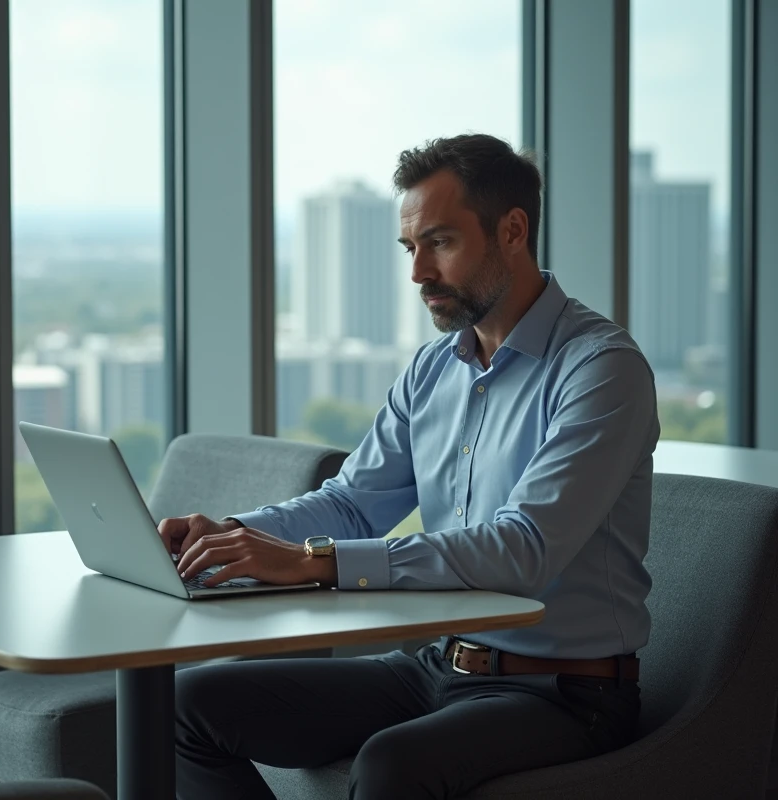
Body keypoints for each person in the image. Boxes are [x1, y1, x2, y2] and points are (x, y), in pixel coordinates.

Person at [157, 133, 659, 799]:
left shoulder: (600, 369)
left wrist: (316, 562)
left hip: (568, 693)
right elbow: (354, 504)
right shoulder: (432, 370)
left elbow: (524, 550)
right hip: (435, 666)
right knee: (186, 703)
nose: (419, 270)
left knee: (396, 765)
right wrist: (225, 537)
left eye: (440, 242)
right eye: (410, 248)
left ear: (513, 230)